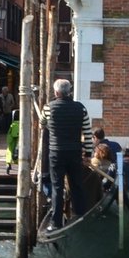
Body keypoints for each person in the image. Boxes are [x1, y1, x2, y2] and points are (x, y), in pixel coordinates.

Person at [44, 77, 94, 227]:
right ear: (69, 92)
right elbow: (87, 133)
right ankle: (80, 217)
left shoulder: (48, 107)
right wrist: (88, 154)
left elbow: (43, 122)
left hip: (56, 153)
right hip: (74, 153)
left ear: (56, 92)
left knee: (57, 187)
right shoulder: (81, 108)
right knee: (77, 185)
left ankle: (56, 223)